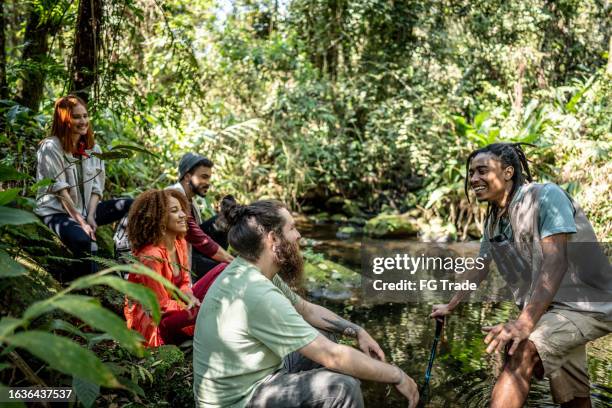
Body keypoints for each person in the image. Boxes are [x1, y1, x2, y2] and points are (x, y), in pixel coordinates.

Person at [431, 143, 611, 408]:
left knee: (521, 348)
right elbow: (480, 266)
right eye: (471, 173)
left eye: (482, 171)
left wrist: (524, 323)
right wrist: (451, 305)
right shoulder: (494, 221)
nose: (474, 179)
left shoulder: (546, 196)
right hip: (554, 311)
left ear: (508, 172)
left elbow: (556, 260)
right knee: (574, 398)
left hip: (589, 306)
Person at [193, 199, 419, 408]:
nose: (299, 235)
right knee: (342, 389)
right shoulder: (258, 293)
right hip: (239, 401)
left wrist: (357, 331)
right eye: (292, 228)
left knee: (325, 333)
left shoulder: (252, 271)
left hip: (253, 376)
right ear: (272, 239)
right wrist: (396, 374)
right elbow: (332, 356)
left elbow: (305, 309)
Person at [34, 95, 132, 279]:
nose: (83, 121)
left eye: (85, 116)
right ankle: (82, 289)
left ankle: (123, 257)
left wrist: (91, 217)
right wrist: (82, 223)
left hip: (86, 210)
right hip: (56, 212)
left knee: (132, 205)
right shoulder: (50, 147)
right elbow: (61, 192)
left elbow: (96, 188)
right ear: (64, 119)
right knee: (84, 241)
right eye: (77, 117)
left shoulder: (93, 149)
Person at [124, 189, 226, 347]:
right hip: (158, 322)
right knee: (209, 309)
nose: (183, 215)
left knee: (225, 268)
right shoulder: (151, 256)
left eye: (181, 209)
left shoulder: (180, 243)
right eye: (174, 211)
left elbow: (184, 283)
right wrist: (189, 304)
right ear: (159, 218)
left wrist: (191, 297)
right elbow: (160, 305)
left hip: (179, 306)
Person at [167, 153, 233, 279]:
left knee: (225, 218)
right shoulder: (173, 196)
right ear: (187, 177)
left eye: (209, 178)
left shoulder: (191, 201)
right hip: (173, 259)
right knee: (224, 271)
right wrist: (232, 262)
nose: (208, 183)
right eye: (204, 177)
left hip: (188, 250)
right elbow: (198, 239)